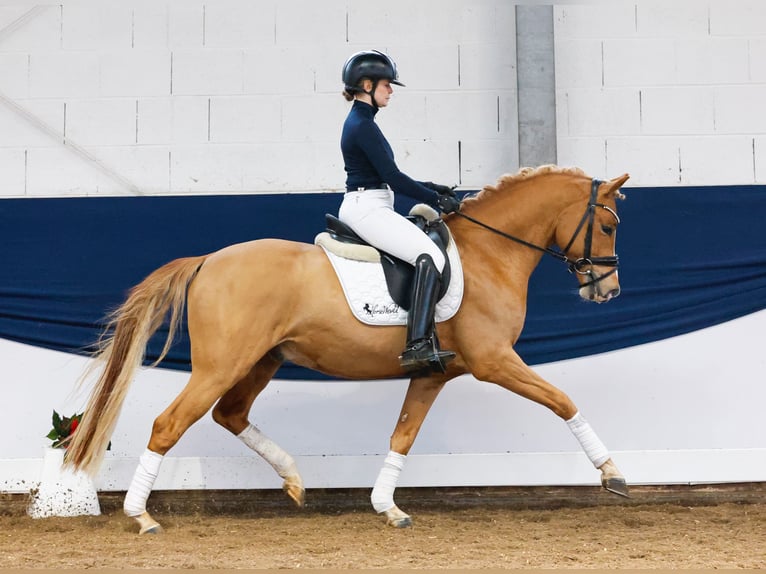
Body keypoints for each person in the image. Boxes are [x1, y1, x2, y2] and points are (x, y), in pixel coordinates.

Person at [338, 49, 461, 374]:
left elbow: (386, 174)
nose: (390, 90)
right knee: (430, 255)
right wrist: (436, 200)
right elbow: (392, 177)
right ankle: (418, 345)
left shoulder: (363, 122)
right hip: (367, 208)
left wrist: (434, 189)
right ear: (366, 85)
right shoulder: (362, 125)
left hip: (371, 202)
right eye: (386, 84)